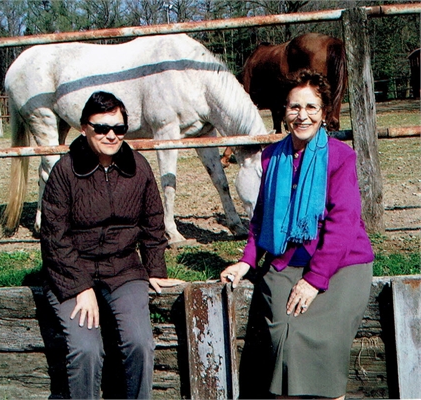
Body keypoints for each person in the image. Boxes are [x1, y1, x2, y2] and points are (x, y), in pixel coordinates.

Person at [220, 70, 374, 399]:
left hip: (340, 264)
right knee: (283, 337)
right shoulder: (272, 156)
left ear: (325, 112)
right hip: (286, 260)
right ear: (284, 111)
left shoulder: (340, 156)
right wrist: (247, 261)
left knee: (322, 337)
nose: (302, 115)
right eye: (294, 107)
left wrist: (315, 279)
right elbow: (261, 216)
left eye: (311, 107)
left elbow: (343, 223)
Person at [40, 91, 184, 399]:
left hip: (123, 269)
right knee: (86, 349)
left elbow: (153, 221)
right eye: (102, 128)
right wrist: (80, 287)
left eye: (119, 128)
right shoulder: (65, 172)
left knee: (140, 343)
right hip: (73, 271)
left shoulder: (138, 168)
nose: (111, 135)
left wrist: (155, 267)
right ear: (84, 128)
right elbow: (54, 237)